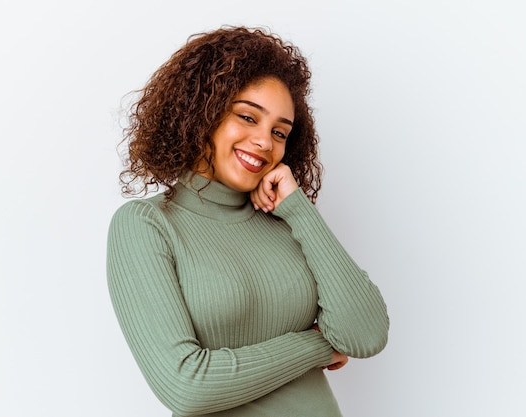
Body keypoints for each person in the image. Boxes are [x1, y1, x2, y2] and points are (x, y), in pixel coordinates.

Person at [107, 26, 389, 417]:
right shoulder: (147, 225)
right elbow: (186, 385)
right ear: (201, 113)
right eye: (247, 117)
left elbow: (367, 334)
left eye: (279, 132)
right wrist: (318, 344)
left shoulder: (286, 218)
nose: (264, 142)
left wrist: (299, 210)